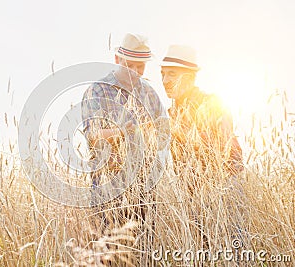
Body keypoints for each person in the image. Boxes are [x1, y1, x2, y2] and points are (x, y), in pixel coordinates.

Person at [160, 44, 247, 249]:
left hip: (225, 189)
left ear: (190, 77)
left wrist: (177, 130)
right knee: (201, 251)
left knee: (232, 250)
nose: (164, 81)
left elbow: (221, 146)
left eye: (172, 74)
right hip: (190, 195)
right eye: (162, 74)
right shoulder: (169, 114)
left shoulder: (214, 102)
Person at [81, 33, 167, 231]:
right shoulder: (99, 90)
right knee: (109, 250)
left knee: (144, 246)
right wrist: (126, 130)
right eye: (130, 65)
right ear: (117, 60)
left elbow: (162, 134)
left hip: (143, 183)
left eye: (140, 67)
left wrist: (154, 133)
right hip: (107, 183)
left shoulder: (149, 93)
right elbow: (92, 135)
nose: (135, 72)